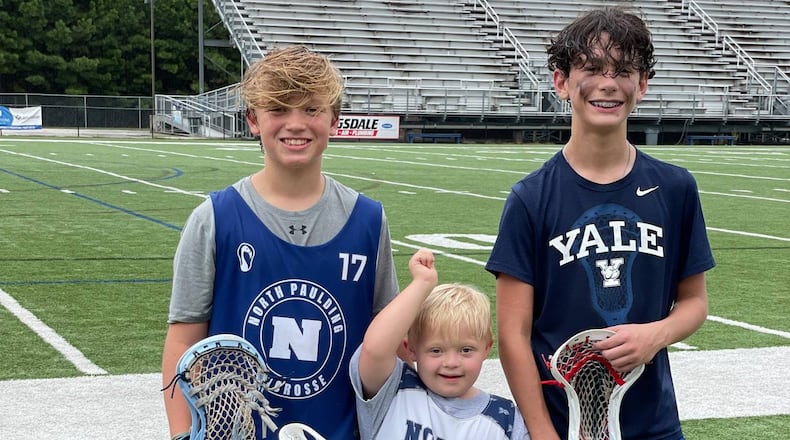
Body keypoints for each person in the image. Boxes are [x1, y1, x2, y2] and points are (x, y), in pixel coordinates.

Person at [486, 7, 715, 440]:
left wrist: (654, 335)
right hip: (559, 423)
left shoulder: (675, 187)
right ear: (561, 82)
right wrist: (542, 433)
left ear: (642, 85)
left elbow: (694, 303)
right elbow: (513, 336)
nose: (608, 83)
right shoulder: (531, 198)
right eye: (591, 68)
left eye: (624, 70)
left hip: (654, 424)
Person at [161, 45, 400, 440]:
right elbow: (185, 340)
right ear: (253, 120)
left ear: (335, 119)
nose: (296, 124)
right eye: (279, 110)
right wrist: (182, 434)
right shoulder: (215, 218)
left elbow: (386, 340)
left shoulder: (369, 220)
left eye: (311, 109)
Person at [350, 248, 531, 439]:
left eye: (466, 350)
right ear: (410, 349)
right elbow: (374, 350)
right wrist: (422, 283)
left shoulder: (506, 419)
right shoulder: (394, 389)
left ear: (487, 348)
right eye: (436, 350)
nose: (451, 362)